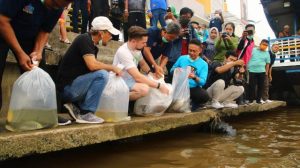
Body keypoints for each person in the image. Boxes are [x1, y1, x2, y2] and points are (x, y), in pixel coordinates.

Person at [0, 0, 73, 111]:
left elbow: (45, 31)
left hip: (28, 35)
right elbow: (2, 20)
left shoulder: (58, 7)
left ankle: (42, 113)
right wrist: (20, 53)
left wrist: (38, 51)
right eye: (67, 1)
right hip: (3, 28)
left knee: (38, 75)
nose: (67, 5)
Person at [57, 17, 122, 124]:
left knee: (102, 75)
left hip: (74, 87)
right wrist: (112, 67)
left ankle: (78, 108)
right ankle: (85, 113)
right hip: (67, 89)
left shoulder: (93, 46)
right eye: (109, 34)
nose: (111, 37)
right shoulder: (84, 39)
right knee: (102, 75)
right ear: (101, 33)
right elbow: (92, 65)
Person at [113, 26, 169, 101]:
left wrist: (150, 73)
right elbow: (137, 77)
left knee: (151, 80)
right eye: (143, 42)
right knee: (144, 89)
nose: (145, 45)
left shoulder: (136, 49)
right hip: (120, 80)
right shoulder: (124, 52)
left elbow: (142, 63)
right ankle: (115, 99)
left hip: (130, 79)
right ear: (133, 41)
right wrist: (159, 86)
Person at [171, 39, 209, 110]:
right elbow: (171, 70)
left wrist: (194, 77)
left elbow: (202, 81)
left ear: (200, 50)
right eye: (190, 50)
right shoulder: (182, 58)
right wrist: (177, 70)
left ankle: (193, 105)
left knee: (204, 96)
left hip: (192, 88)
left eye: (194, 51)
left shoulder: (204, 64)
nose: (191, 53)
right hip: (179, 86)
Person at [166, 7, 199, 82]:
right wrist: (178, 35)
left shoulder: (190, 27)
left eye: (189, 17)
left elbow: (196, 40)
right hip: (174, 58)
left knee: (183, 80)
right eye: (185, 17)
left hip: (186, 58)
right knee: (172, 79)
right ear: (180, 15)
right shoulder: (172, 25)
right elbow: (167, 39)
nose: (187, 19)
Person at [248, 39, 270, 104]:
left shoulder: (267, 53)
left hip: (262, 72)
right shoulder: (253, 50)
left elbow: (267, 64)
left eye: (266, 45)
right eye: (263, 44)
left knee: (261, 86)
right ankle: (251, 100)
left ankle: (258, 100)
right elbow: (248, 57)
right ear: (260, 44)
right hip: (252, 71)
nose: (264, 46)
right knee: (252, 86)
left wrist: (266, 72)